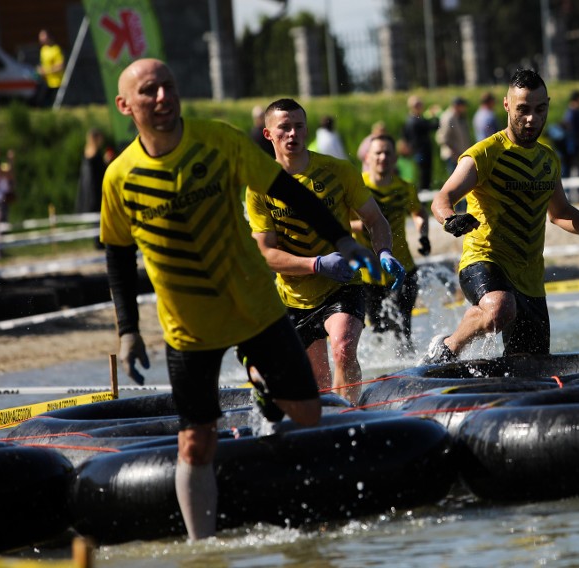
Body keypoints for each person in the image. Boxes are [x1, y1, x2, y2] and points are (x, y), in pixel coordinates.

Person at [100, 58, 379, 541]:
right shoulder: (118, 178)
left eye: (169, 86)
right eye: (150, 91)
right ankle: (202, 548)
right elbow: (119, 260)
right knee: (195, 441)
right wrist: (127, 331)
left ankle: (316, 522)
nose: (163, 97)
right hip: (189, 327)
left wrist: (342, 241)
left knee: (309, 414)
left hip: (255, 308)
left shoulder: (220, 140)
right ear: (125, 105)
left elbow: (288, 191)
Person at [419, 68, 579, 365]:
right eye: (523, 110)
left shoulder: (548, 159)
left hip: (529, 278)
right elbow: (443, 197)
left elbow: (561, 213)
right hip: (484, 260)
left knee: (530, 367)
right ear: (506, 105)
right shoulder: (483, 154)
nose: (531, 119)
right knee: (499, 309)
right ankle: (448, 347)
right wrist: (449, 218)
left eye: (539, 109)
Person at [246, 98, 404, 404]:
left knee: (343, 347)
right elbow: (266, 254)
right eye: (284, 128)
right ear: (268, 135)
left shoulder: (338, 170)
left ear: (307, 130)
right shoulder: (258, 187)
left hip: (343, 283)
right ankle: (331, 421)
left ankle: (352, 417)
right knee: (318, 377)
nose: (293, 134)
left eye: (299, 127)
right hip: (294, 295)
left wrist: (384, 251)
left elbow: (374, 219)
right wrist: (317, 264)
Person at [352, 134, 430, 356]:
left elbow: (418, 213)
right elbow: (339, 224)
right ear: (368, 157)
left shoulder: (404, 188)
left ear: (395, 158)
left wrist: (423, 234)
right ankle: (381, 375)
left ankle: (405, 370)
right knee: (377, 330)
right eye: (378, 152)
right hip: (369, 274)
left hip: (403, 269)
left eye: (388, 153)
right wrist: (367, 225)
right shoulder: (356, 187)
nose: (383, 157)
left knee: (402, 329)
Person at [77, 129, 113, 249]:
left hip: (94, 188)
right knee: (99, 216)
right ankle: (99, 241)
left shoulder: (88, 150)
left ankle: (99, 240)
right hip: (95, 189)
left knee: (98, 217)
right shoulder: (92, 151)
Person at [402, 95, 440, 191]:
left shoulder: (409, 119)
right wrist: (436, 115)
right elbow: (434, 126)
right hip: (422, 152)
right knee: (424, 178)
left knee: (422, 177)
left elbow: (404, 137)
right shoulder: (416, 120)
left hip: (416, 152)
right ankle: (422, 202)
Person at [436, 96, 472, 176]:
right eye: (463, 106)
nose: (465, 108)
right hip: (453, 156)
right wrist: (455, 153)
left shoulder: (458, 116)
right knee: (455, 180)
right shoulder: (449, 117)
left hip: (459, 154)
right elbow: (444, 138)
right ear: (457, 106)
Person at [35, 29, 65, 108]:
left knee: (55, 104)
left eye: (43, 36)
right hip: (46, 81)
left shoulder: (56, 49)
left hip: (56, 82)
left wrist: (46, 71)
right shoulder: (43, 50)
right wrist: (39, 70)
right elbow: (43, 64)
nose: (41, 38)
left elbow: (60, 67)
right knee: (40, 102)